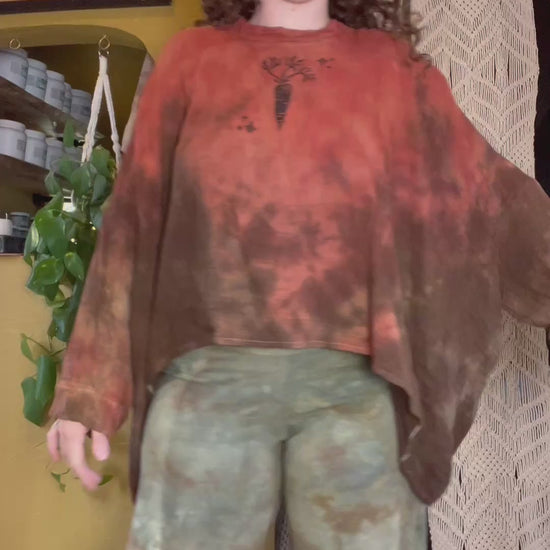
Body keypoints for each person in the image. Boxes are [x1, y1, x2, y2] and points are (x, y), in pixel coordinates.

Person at [46, 0, 550, 548]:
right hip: (206, 382)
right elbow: (133, 224)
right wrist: (88, 390)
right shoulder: (192, 60)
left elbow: (489, 194)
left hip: (355, 389)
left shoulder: (391, 71)